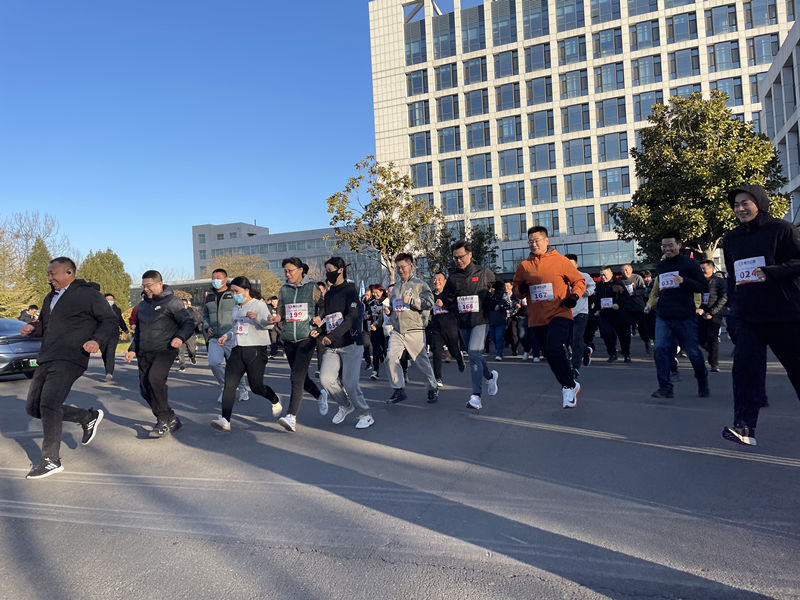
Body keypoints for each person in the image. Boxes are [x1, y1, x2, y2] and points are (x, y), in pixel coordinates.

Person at [20, 257, 118, 479]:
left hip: (72, 356)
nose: (49, 278)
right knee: (34, 408)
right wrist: (32, 328)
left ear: (69, 273)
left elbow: (109, 320)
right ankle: (87, 417)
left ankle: (51, 460)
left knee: (49, 404)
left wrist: (97, 340)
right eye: (48, 273)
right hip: (47, 356)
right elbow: (45, 326)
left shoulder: (88, 295)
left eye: (53, 273)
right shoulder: (50, 297)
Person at [721, 184, 800, 446]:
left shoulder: (782, 229)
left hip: (784, 314)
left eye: (746, 203)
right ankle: (744, 427)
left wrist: (772, 272)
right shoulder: (731, 239)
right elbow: (733, 276)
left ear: (760, 203)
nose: (740, 209)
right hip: (748, 316)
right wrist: (733, 307)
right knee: (745, 371)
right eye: (736, 205)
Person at [513, 227, 585, 409]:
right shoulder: (523, 266)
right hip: (537, 318)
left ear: (546, 241)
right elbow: (516, 290)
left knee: (554, 347)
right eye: (530, 241)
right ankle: (570, 384)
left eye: (537, 240)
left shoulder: (560, 261)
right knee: (550, 354)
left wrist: (574, 296)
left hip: (560, 312)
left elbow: (579, 281)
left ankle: (568, 387)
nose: (534, 244)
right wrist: (521, 290)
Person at [125, 270, 195, 436]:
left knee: (155, 379)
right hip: (144, 352)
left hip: (165, 350)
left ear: (160, 284)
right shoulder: (142, 306)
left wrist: (179, 337)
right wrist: (132, 349)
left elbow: (188, 323)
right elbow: (139, 330)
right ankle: (170, 417)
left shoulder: (172, 302)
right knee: (145, 390)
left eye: (149, 286)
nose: (146, 289)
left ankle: (162, 421)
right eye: (143, 286)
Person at [210, 276, 283, 432]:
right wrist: (226, 336)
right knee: (229, 385)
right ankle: (225, 419)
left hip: (255, 349)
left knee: (256, 386)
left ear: (246, 290)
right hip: (237, 349)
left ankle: (274, 399)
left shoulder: (259, 305)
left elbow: (269, 325)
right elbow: (235, 328)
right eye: (232, 292)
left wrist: (256, 318)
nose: (234, 294)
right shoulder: (236, 308)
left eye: (237, 291)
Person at [268, 257, 328, 433]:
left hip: (307, 337)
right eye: (285, 271)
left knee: (295, 377)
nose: (287, 274)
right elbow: (281, 312)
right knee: (301, 377)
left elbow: (324, 307)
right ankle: (319, 395)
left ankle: (291, 416)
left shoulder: (312, 287)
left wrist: (320, 318)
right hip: (288, 338)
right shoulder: (284, 289)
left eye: (290, 271)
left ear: (300, 270)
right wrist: (276, 318)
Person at [313, 257, 374, 429]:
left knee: (350, 383)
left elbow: (351, 317)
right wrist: (320, 330)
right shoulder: (329, 293)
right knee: (326, 379)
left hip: (351, 343)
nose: (327, 274)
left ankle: (366, 414)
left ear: (340, 270)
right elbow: (329, 318)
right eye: (326, 270)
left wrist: (332, 336)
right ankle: (345, 405)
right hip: (333, 346)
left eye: (329, 270)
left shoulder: (350, 291)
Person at [650, 232, 710, 399]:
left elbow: (703, 286)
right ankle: (665, 387)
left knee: (693, 352)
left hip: (685, 316)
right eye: (664, 246)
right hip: (663, 315)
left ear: (679, 245)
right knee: (660, 349)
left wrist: (684, 281)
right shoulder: (661, 265)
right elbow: (659, 287)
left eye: (670, 245)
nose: (667, 249)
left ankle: (702, 380)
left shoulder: (689, 264)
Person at [444, 240, 499, 410]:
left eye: (461, 257)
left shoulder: (483, 273)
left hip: (481, 320)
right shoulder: (453, 277)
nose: (459, 260)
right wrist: (453, 306)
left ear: (470, 255)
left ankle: (476, 396)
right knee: (475, 355)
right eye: (456, 258)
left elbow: (499, 286)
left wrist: (493, 302)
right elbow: (447, 299)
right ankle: (490, 377)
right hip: (463, 322)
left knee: (474, 353)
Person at [385, 253, 439, 404]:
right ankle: (398, 389)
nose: (400, 270)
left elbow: (429, 302)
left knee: (421, 362)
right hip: (397, 330)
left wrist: (412, 300)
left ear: (411, 266)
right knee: (390, 358)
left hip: (414, 329)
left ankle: (432, 387)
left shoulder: (419, 284)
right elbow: (394, 306)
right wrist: (390, 311)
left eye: (403, 267)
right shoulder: (396, 287)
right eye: (398, 268)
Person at [202, 268, 248, 403]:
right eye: (213, 278)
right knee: (214, 363)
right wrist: (207, 326)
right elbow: (204, 315)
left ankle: (243, 389)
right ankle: (225, 388)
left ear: (225, 279)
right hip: (215, 337)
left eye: (218, 278)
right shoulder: (209, 296)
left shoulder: (233, 294)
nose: (215, 280)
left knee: (235, 366)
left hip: (231, 336)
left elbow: (242, 311)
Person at [427, 272, 465, 387]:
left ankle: (459, 359)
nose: (436, 281)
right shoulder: (431, 295)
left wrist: (444, 305)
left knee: (453, 350)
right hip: (436, 328)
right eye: (435, 279)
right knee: (437, 352)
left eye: (439, 279)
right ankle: (437, 378)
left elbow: (457, 308)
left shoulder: (449, 294)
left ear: (445, 281)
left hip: (450, 327)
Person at [564, 254, 595, 378]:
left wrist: (588, 292)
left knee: (576, 338)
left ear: (576, 265)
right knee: (569, 339)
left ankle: (575, 367)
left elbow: (592, 285)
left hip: (581, 312)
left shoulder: (584, 276)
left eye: (571, 264)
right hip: (566, 313)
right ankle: (586, 350)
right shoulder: (561, 278)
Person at [697, 260, 727, 373]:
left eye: (704, 268)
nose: (702, 271)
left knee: (712, 337)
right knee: (700, 338)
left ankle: (714, 363)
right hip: (700, 312)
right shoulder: (699, 281)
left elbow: (723, 298)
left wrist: (712, 312)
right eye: (701, 268)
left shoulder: (720, 281)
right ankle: (711, 352)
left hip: (715, 313)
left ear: (712, 268)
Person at [595, 266, 630, 363]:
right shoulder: (599, 285)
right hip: (605, 314)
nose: (603, 277)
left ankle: (626, 354)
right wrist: (597, 309)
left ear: (611, 274)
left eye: (605, 275)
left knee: (623, 336)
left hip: (619, 314)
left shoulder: (618, 283)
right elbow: (597, 299)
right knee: (606, 333)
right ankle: (612, 354)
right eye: (601, 275)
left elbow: (626, 297)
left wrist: (618, 304)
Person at [619, 264, 650, 354]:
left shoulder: (637, 278)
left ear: (631, 269)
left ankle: (646, 341)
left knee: (642, 328)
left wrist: (633, 293)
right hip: (625, 308)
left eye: (626, 270)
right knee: (625, 331)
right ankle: (625, 350)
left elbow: (643, 290)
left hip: (638, 307)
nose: (625, 272)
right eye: (623, 270)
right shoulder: (620, 280)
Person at [366, 284, 389, 379]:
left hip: (384, 328)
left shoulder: (386, 302)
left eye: (377, 292)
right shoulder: (372, 303)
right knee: (375, 350)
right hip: (374, 329)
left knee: (385, 349)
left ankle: (394, 369)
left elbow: (385, 316)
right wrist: (368, 316)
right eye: (373, 293)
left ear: (382, 292)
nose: (375, 294)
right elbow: (369, 314)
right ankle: (375, 371)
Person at [487, 280, 512, 361]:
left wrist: (500, 305)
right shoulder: (487, 296)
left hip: (501, 320)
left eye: (493, 288)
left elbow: (509, 304)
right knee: (493, 338)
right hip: (491, 320)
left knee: (499, 337)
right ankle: (499, 348)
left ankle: (499, 353)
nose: (492, 289)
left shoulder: (503, 294)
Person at [177, 297, 201, 372]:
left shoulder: (192, 312)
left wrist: (193, 327)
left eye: (185, 304)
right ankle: (182, 365)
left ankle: (192, 356)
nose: (183, 305)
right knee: (180, 351)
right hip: (180, 334)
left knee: (192, 349)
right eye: (182, 304)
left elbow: (196, 321)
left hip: (190, 334)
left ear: (187, 304)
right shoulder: (177, 312)